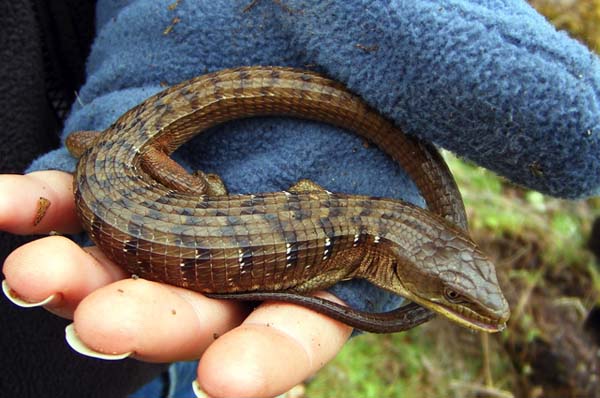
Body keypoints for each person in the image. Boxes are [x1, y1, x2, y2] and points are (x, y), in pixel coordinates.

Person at [2, 1, 599, 397]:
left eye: (456, 291)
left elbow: (308, 199)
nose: (479, 311)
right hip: (111, 204)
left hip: (113, 169)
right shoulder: (345, 250)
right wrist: (196, 186)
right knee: (198, 193)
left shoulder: (359, 230)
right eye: (449, 293)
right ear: (389, 264)